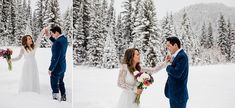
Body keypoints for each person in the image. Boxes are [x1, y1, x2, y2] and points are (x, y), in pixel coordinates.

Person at [11, 29, 45, 93]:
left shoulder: (34, 47)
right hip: (27, 65)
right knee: (27, 77)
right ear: (25, 41)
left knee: (33, 76)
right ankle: (26, 91)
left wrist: (42, 32)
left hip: (33, 64)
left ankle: (33, 90)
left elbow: (38, 40)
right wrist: (11, 60)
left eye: (31, 38)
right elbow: (19, 57)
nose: (31, 39)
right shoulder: (23, 48)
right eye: (29, 39)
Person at [45, 25, 68, 101]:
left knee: (54, 83)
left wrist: (51, 68)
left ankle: (55, 98)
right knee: (61, 81)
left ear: (57, 32)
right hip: (63, 66)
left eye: (52, 33)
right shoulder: (64, 39)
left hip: (57, 67)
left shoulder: (58, 42)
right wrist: (49, 37)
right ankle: (63, 96)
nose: (52, 35)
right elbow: (58, 43)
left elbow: (55, 57)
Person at [165, 36, 189, 108]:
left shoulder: (182, 56)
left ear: (175, 45)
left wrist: (168, 66)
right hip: (174, 95)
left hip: (178, 96)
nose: (167, 48)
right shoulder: (177, 56)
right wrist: (171, 61)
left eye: (169, 46)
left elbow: (177, 73)